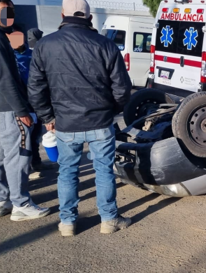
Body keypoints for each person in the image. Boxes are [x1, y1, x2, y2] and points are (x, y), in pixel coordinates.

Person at [28, 0, 132, 236]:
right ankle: (108, 220)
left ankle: (67, 223)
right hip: (100, 122)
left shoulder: (45, 45)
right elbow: (122, 88)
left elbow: (35, 88)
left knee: (67, 172)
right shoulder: (106, 45)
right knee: (104, 170)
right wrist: (111, 110)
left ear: (63, 14)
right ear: (89, 18)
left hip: (65, 122)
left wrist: (47, 116)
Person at [0, 0, 50, 220]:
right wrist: (21, 110)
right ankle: (20, 203)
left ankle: (3, 198)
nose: (7, 15)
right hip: (8, 108)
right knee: (18, 155)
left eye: (9, 10)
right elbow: (6, 79)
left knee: (2, 157)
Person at [12, 26, 52, 175]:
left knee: (35, 135)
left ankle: (36, 163)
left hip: (35, 100)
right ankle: (24, 167)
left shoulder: (32, 55)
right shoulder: (10, 57)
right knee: (22, 137)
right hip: (20, 103)